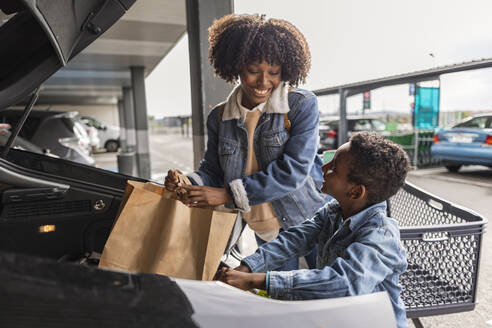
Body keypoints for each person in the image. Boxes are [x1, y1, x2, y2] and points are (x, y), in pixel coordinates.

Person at [164, 13, 329, 270]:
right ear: (236, 66)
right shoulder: (219, 117)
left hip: (310, 221)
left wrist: (226, 194)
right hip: (264, 232)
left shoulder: (300, 105)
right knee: (280, 301)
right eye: (253, 71)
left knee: (330, 298)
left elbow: (293, 172)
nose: (264, 82)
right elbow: (213, 170)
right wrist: (188, 182)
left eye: (273, 72)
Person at [216, 132, 410, 328]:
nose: (322, 167)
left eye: (333, 168)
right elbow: (294, 239)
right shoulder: (333, 211)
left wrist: (257, 281)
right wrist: (248, 267)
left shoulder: (381, 235)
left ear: (355, 191)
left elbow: (343, 284)